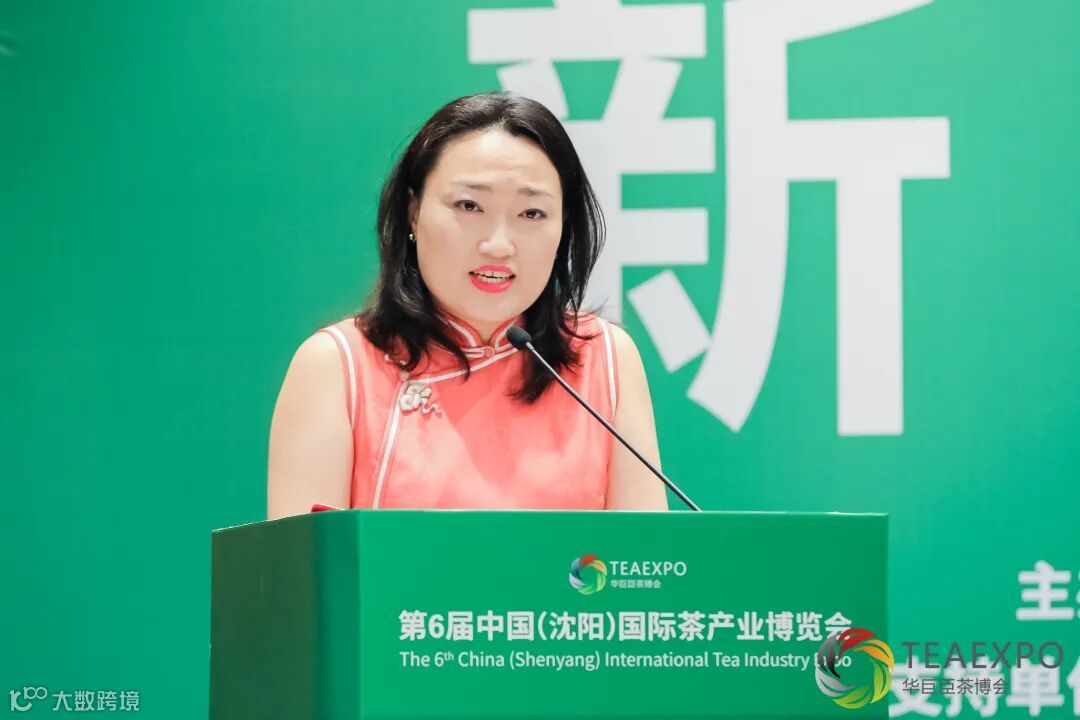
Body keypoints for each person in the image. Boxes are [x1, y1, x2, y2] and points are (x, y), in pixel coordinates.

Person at [266, 91, 667, 519]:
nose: (498, 244)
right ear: (414, 211)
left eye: (531, 213)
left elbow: (647, 556)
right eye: (469, 205)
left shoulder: (604, 358)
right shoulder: (336, 367)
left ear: (563, 228)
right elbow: (306, 563)